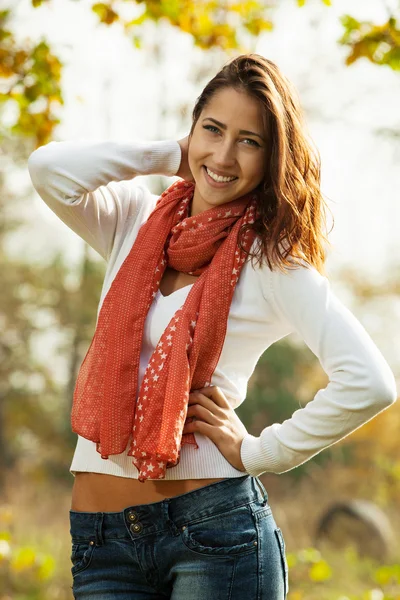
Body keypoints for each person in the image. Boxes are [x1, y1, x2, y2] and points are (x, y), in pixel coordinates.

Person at [27, 53, 397, 599]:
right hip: (102, 542)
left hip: (214, 535)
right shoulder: (132, 220)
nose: (224, 155)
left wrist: (257, 452)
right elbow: (48, 170)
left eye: (249, 141)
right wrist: (169, 155)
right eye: (213, 130)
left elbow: (370, 382)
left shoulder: (273, 264)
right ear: (191, 128)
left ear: (272, 158)